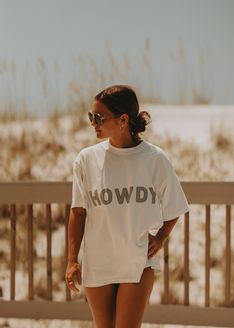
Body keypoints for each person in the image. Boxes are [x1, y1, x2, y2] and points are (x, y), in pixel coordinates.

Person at [65, 85, 189, 328]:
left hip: (137, 262)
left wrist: (161, 237)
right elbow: (78, 212)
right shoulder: (86, 159)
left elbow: (176, 206)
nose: (93, 123)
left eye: (99, 117)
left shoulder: (154, 159)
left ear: (123, 119)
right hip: (98, 263)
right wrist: (72, 260)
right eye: (91, 117)